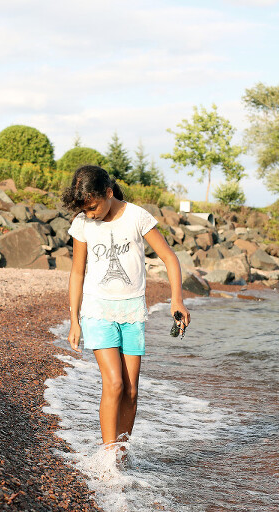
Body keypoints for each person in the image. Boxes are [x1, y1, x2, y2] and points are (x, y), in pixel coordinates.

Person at [62, 165, 190, 450]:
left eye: (93, 207)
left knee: (131, 391)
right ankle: (109, 455)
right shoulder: (83, 223)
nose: (91, 214)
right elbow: (77, 272)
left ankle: (121, 452)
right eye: (85, 209)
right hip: (97, 311)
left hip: (132, 312)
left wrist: (176, 298)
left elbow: (169, 258)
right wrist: (74, 319)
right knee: (115, 383)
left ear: (108, 193)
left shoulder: (136, 216)